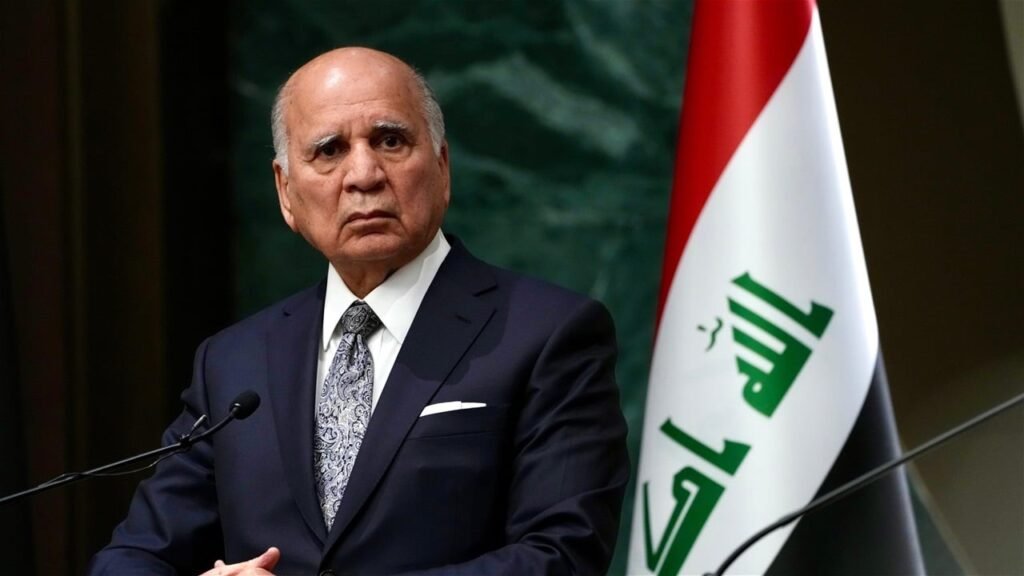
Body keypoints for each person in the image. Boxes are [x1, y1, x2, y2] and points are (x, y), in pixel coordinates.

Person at [90, 47, 629, 575]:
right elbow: (134, 555)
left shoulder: (547, 334)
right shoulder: (232, 362)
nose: (364, 174)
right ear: (285, 192)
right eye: (329, 150)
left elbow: (563, 553)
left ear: (442, 167)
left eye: (390, 141)